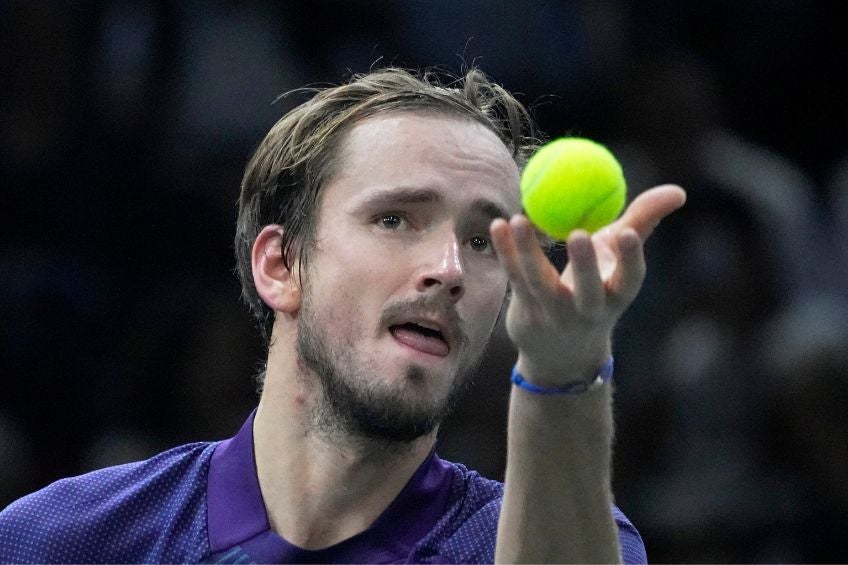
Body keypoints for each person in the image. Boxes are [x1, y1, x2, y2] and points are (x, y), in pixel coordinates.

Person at [0, 68, 685, 564]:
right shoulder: (60, 540)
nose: (449, 267)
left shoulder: (540, 540)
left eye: (483, 241)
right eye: (395, 219)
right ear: (280, 264)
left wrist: (563, 371)